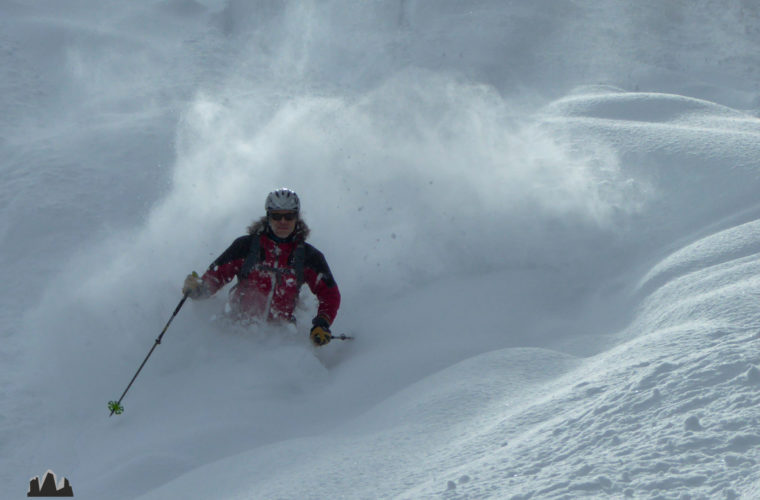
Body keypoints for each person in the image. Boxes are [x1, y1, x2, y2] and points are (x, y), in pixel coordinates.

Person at [182, 188, 340, 346]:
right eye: (277, 216)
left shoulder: (308, 256)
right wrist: (197, 289)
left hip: (280, 338)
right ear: (268, 216)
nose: (283, 221)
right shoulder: (246, 246)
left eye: (289, 216)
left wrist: (322, 324)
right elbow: (217, 276)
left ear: (297, 217)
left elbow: (330, 294)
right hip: (236, 333)